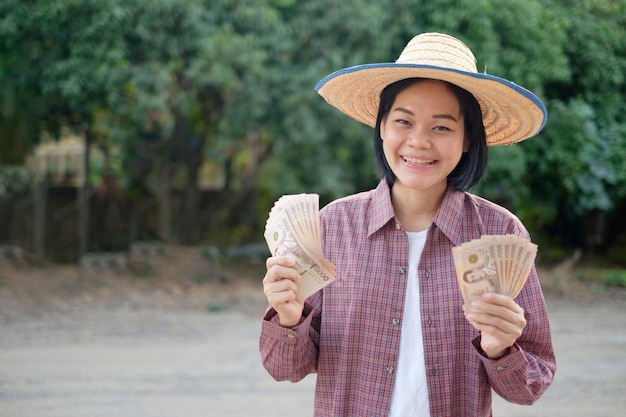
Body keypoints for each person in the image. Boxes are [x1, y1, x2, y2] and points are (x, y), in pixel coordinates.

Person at [259, 32, 556, 417]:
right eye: (404, 121)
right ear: (382, 126)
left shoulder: (501, 235)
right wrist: (288, 316)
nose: (418, 141)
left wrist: (500, 347)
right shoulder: (332, 227)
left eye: (442, 127)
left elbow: (529, 388)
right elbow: (286, 369)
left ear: (468, 139)